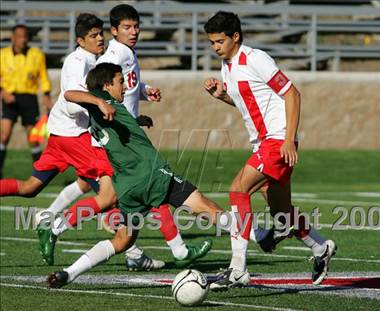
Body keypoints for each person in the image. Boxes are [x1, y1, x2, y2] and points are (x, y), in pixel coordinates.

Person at [42, 4, 213, 270]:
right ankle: (175, 249)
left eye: (136, 27)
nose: (133, 32)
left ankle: (68, 232)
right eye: (126, 27)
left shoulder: (125, 52)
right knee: (149, 185)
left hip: (125, 132)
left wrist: (143, 93)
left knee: (117, 197)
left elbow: (125, 87)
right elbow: (99, 88)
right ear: (114, 31)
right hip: (115, 139)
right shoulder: (111, 54)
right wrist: (103, 108)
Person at [46, 63, 226, 288]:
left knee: (122, 241)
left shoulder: (107, 108)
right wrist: (100, 100)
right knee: (204, 206)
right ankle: (255, 235)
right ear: (107, 84)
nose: (125, 86)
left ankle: (68, 273)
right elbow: (69, 94)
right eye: (121, 81)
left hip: (128, 186)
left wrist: (134, 121)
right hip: (150, 173)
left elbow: (113, 123)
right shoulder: (102, 99)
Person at [203, 11, 337, 289]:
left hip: (277, 140)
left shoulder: (255, 59)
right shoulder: (227, 66)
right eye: (212, 42)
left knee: (238, 189)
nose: (215, 47)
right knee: (282, 211)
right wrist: (222, 95)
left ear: (235, 37)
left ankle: (237, 268)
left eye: (219, 41)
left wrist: (289, 140)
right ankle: (320, 247)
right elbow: (248, 103)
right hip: (264, 142)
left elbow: (292, 93)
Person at [0, 24, 53, 178]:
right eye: (20, 37)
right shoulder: (3, 55)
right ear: (13, 38)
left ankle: (40, 174)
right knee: (4, 135)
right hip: (9, 97)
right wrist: (3, 92)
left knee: (33, 138)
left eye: (25, 37)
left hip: (29, 99)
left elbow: (43, 76)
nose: (23, 40)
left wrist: (47, 95)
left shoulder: (36, 55)